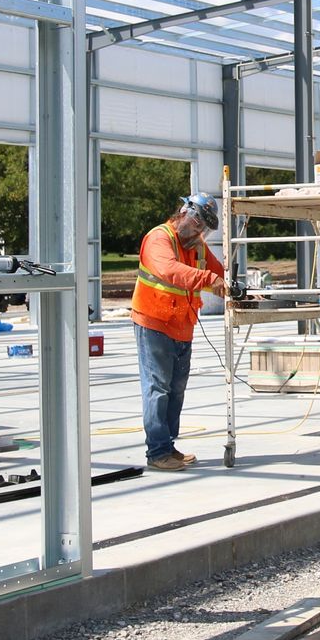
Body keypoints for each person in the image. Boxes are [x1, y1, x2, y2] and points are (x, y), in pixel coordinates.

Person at [130, 193, 227, 472]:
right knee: (157, 388)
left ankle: (168, 446)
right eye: (197, 223)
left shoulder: (196, 245)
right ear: (184, 213)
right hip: (154, 322)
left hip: (182, 324)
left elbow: (217, 271)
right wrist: (211, 280)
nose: (199, 231)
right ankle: (157, 452)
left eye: (204, 227)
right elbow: (170, 270)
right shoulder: (159, 238)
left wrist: (235, 287)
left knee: (176, 390)